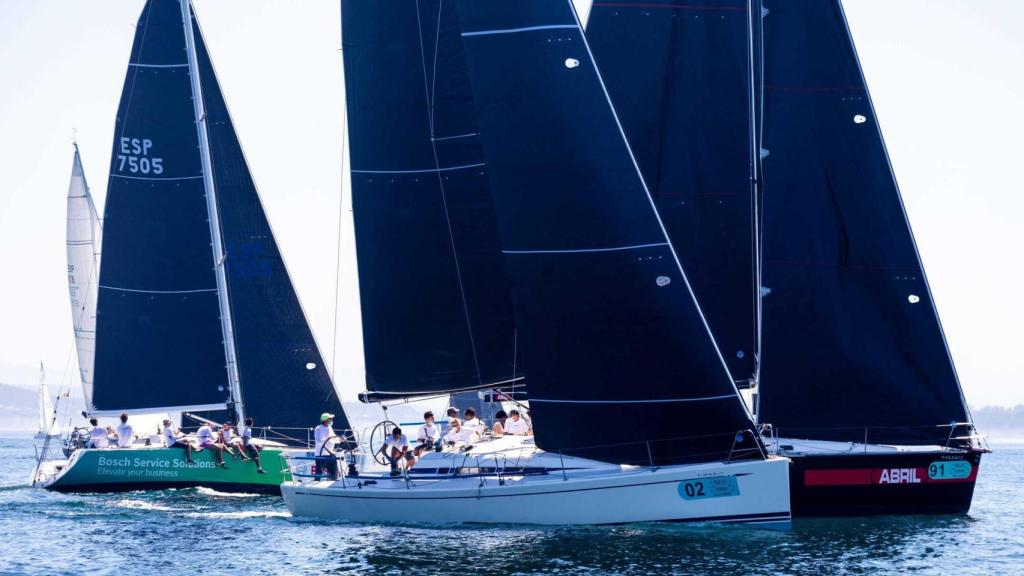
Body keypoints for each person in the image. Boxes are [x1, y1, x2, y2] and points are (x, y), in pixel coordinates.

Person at [314, 412, 340, 480]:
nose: (331, 420)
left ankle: (332, 482)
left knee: (333, 471)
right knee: (319, 472)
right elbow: (318, 440)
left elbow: (334, 438)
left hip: (330, 454)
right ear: (326, 420)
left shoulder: (330, 427)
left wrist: (340, 440)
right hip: (320, 455)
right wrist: (327, 438)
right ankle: (316, 484)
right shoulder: (318, 428)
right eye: (330, 419)